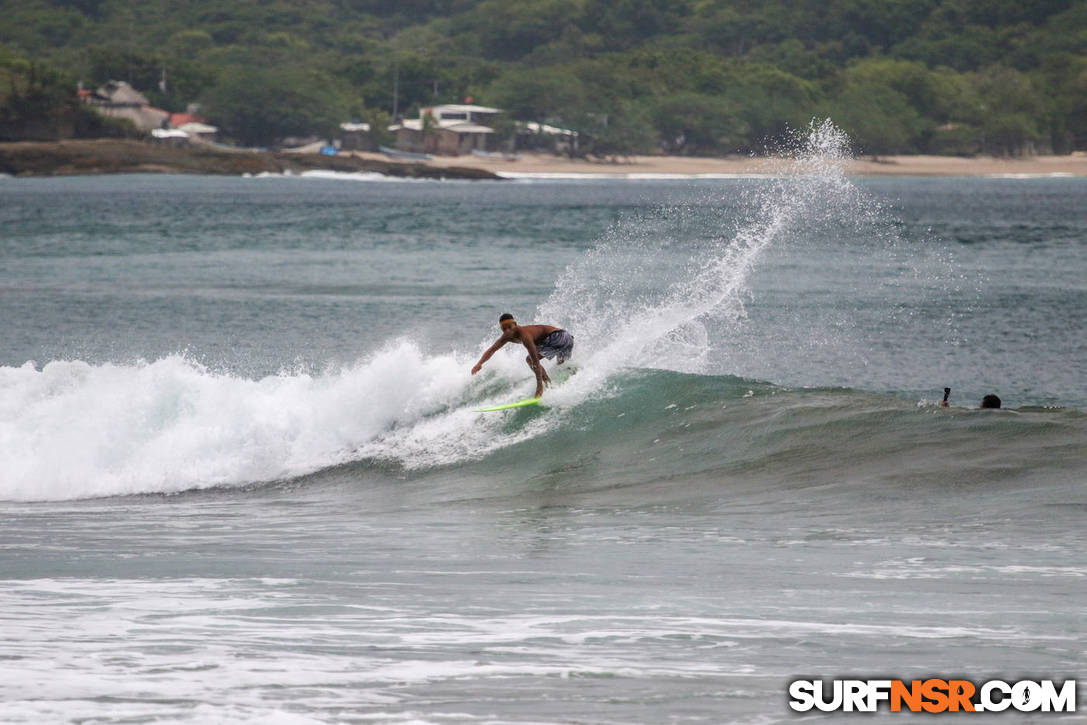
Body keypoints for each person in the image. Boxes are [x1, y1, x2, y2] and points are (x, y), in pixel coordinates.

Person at [470, 313, 574, 399]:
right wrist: (479, 363)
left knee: (530, 359)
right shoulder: (506, 336)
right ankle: (576, 377)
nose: (507, 330)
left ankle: (547, 384)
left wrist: (539, 387)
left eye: (509, 327)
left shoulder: (525, 335)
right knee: (562, 366)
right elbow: (492, 350)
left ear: (515, 324)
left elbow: (535, 361)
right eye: (504, 328)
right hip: (567, 338)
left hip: (559, 336)